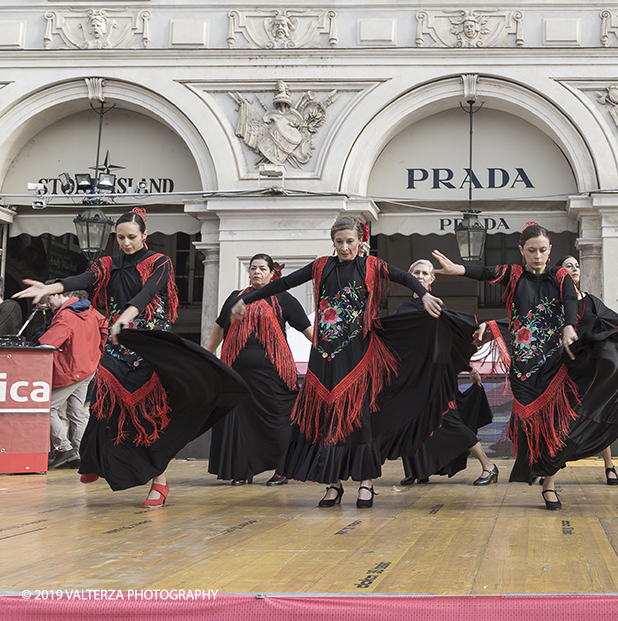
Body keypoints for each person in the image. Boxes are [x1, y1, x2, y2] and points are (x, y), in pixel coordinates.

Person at [15, 208, 246, 507]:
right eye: (121, 237)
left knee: (146, 416)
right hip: (117, 342)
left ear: (144, 236)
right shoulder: (109, 263)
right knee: (103, 402)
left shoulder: (159, 261)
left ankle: (159, 482)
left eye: (132, 237)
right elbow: (84, 278)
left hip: (149, 345)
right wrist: (52, 287)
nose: (126, 243)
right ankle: (94, 460)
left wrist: (126, 315)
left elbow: (148, 293)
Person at [231, 216, 462, 509]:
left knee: (358, 417)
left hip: (359, 353)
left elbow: (404, 277)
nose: (344, 247)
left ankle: (366, 484)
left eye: (349, 241)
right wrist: (249, 300)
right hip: (324, 354)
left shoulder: (371, 266)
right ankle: (333, 484)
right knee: (327, 419)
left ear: (360, 241)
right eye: (339, 242)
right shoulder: (320, 266)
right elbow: (286, 282)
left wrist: (425, 294)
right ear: (333, 241)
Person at [432, 223, 618, 510]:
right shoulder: (513, 275)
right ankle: (537, 471)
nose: (538, 256)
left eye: (543, 250)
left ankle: (549, 485)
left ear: (550, 251)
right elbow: (485, 273)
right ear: (522, 251)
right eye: (532, 250)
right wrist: (458, 269)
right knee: (530, 426)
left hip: (555, 363)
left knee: (557, 426)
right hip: (524, 368)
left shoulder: (559, 275)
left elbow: (570, 300)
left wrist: (569, 326)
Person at [206, 254, 314, 486]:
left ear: (272, 273)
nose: (256, 272)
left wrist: (330, 353)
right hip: (236, 372)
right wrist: (207, 355)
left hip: (273, 373)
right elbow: (219, 328)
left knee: (277, 418)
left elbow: (308, 331)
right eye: (253, 268)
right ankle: (243, 469)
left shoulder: (283, 298)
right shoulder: (236, 298)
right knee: (241, 420)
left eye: (262, 268)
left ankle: (282, 469)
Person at [397, 259, 497, 486]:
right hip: (411, 378)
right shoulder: (403, 309)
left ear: (432, 280)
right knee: (410, 423)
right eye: (416, 272)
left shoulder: (437, 308)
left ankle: (488, 466)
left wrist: (470, 367)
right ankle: (417, 470)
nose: (420, 276)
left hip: (436, 379)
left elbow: (453, 342)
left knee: (448, 420)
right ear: (409, 277)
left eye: (425, 273)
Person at [556, 254, 618, 486]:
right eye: (569, 266)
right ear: (559, 272)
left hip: (589, 368)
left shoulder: (590, 300)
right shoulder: (553, 302)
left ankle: (609, 466)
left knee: (596, 413)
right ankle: (552, 466)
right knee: (560, 419)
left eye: (577, 266)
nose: (575, 269)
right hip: (562, 368)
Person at [38, 288, 108, 469]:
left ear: (60, 294)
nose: (48, 302)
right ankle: (81, 453)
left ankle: (64, 448)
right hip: (88, 367)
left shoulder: (66, 316)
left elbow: (48, 343)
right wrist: (96, 354)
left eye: (50, 297)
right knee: (77, 412)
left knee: (47, 407)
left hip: (72, 369)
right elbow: (105, 328)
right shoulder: (91, 312)